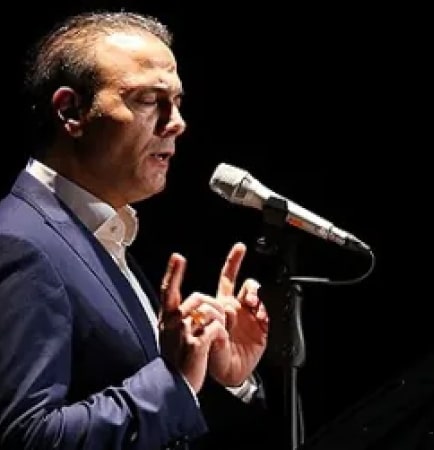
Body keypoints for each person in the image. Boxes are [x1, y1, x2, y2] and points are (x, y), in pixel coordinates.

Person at [0, 10, 269, 450]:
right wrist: (173, 379)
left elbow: (157, 421)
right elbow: (26, 437)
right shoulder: (19, 242)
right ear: (71, 112)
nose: (176, 122)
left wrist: (220, 375)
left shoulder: (99, 232)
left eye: (177, 101)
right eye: (148, 99)